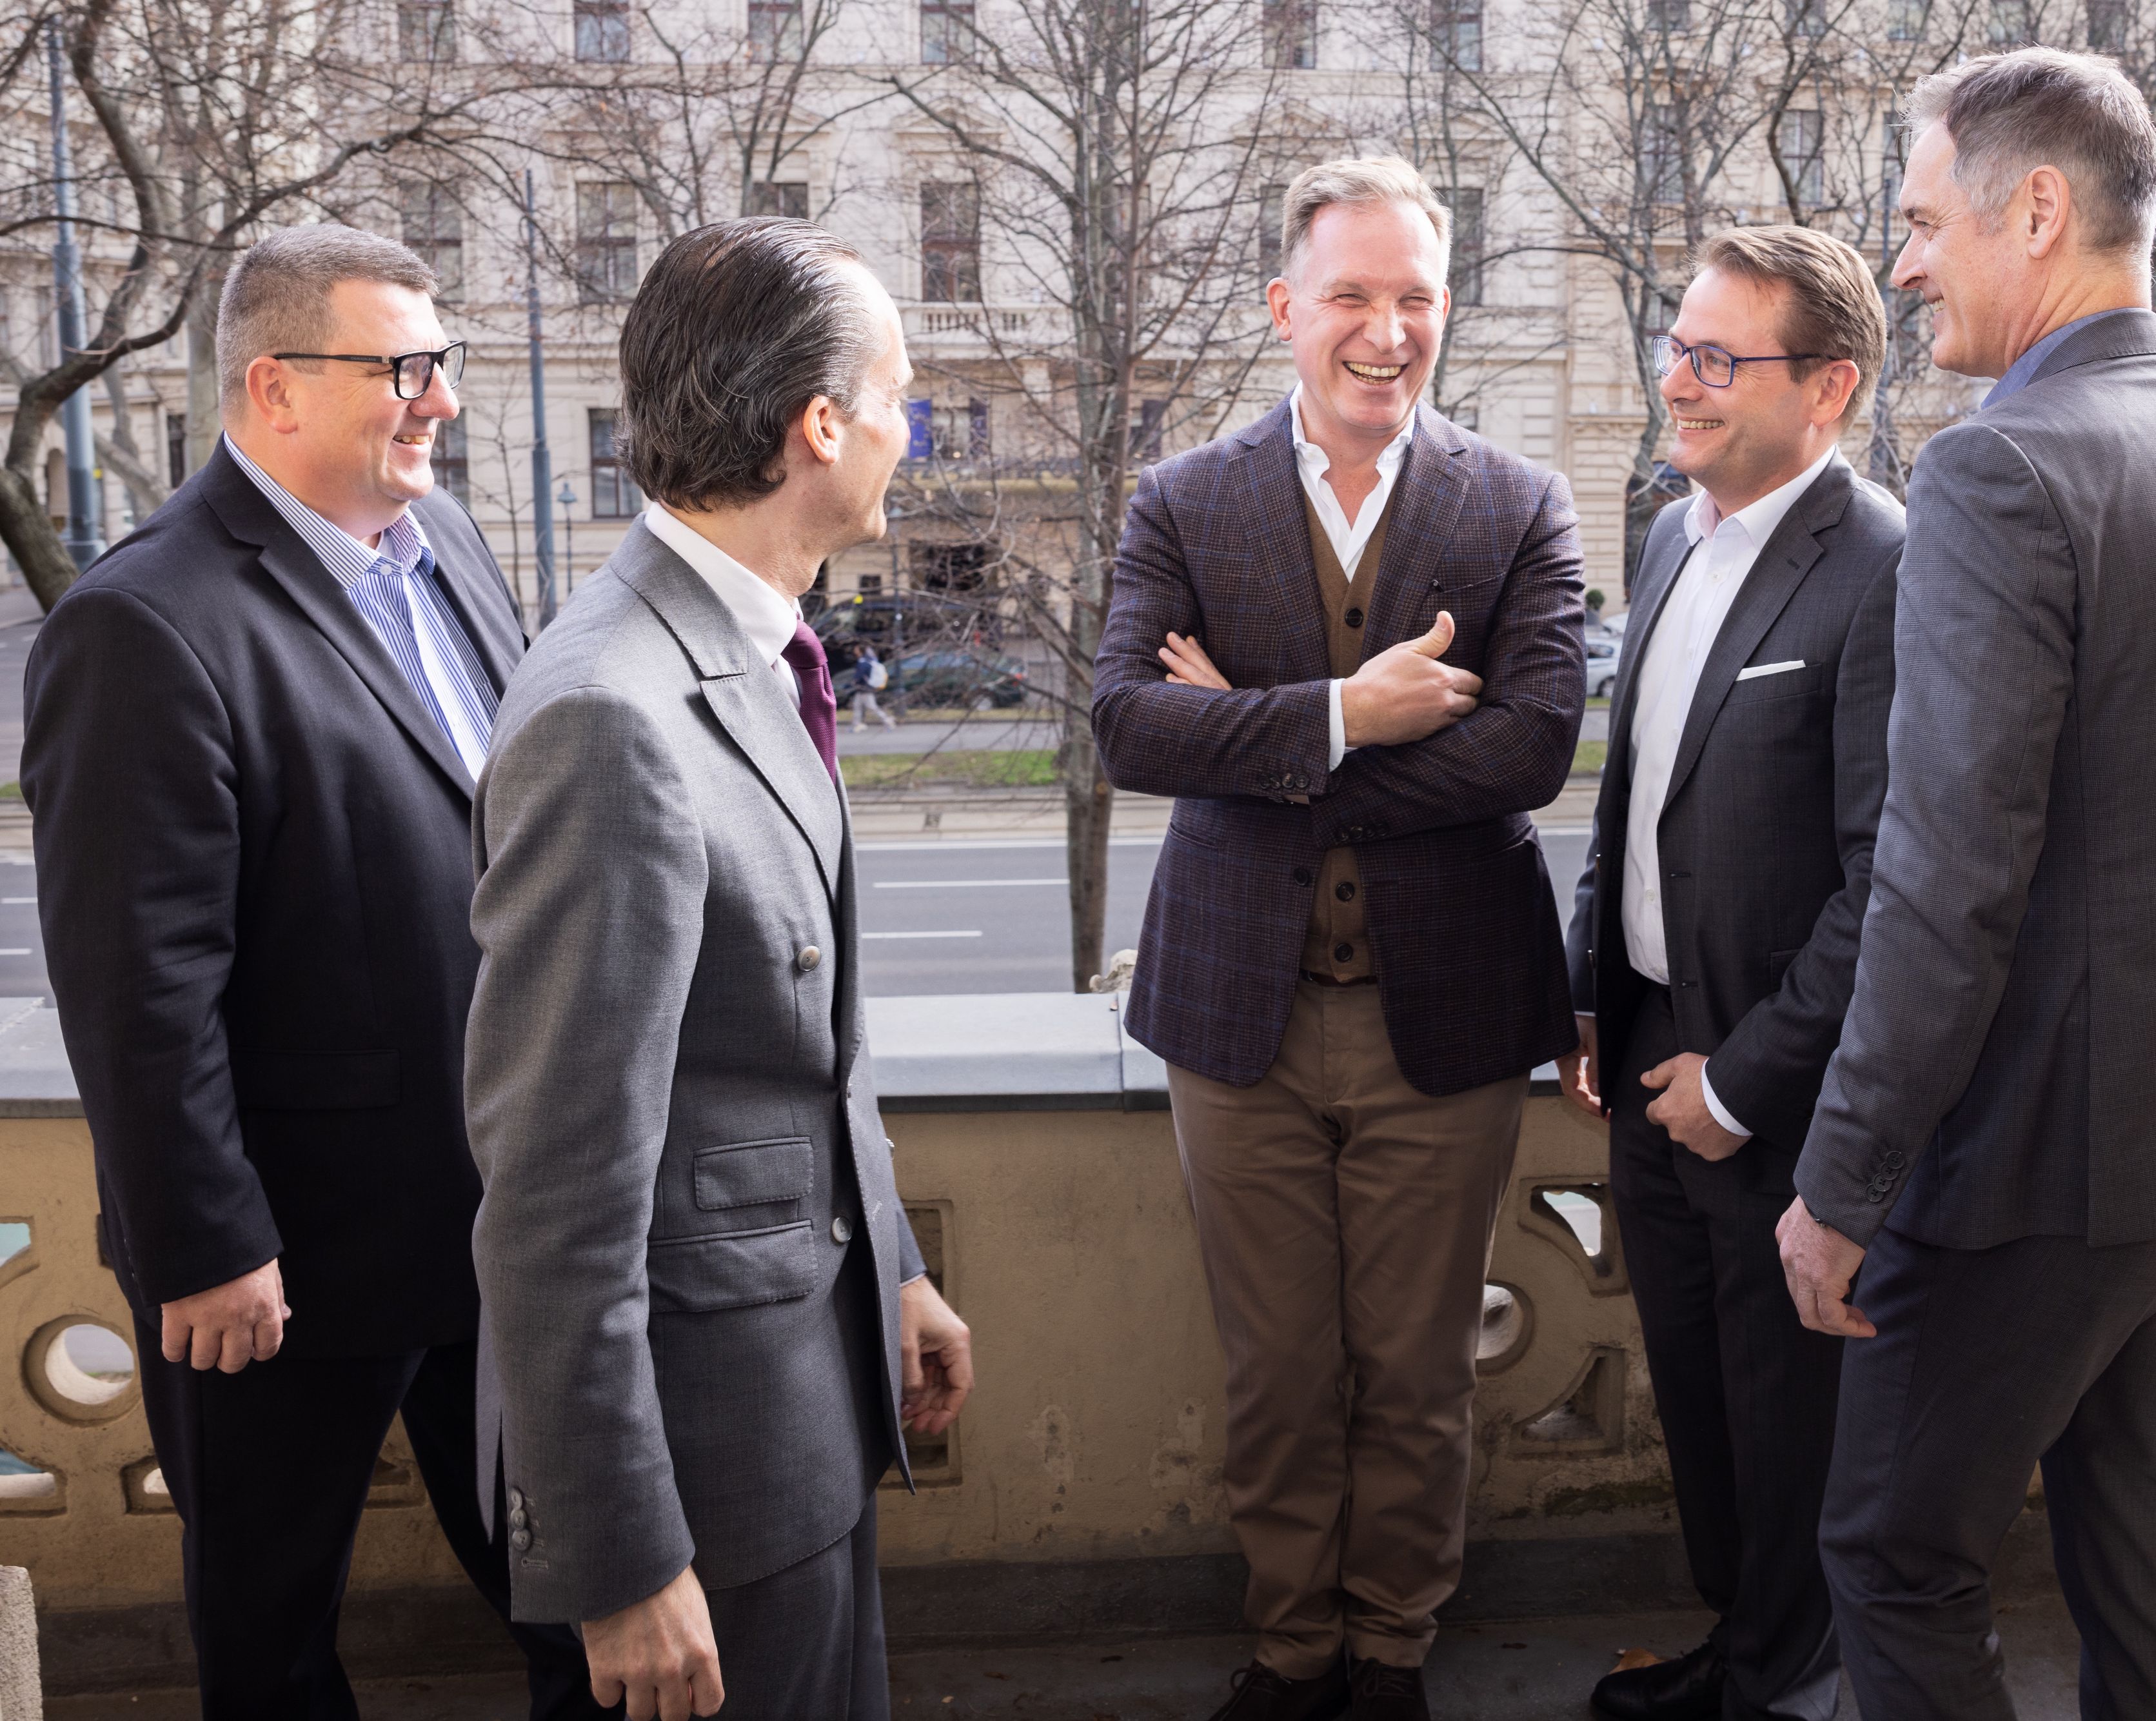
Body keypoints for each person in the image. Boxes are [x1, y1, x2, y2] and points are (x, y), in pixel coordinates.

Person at [1775, 48, 2156, 1720]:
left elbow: (1950, 879)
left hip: (2054, 1165)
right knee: (2148, 1555)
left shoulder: (1997, 470)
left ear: (2036, 209)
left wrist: (1844, 1182)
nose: (1900, 264)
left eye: (1920, 219)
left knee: (1895, 1553)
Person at [19, 226, 603, 1718]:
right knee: (275, 1648)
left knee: (585, 1608)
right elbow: (140, 985)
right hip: (279, 1261)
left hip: (499, 1218)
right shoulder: (141, 623)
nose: (441, 401)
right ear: (273, 387)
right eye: (403, 369)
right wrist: (209, 1244)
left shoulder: (453, 548)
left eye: (444, 364)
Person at [1094, 156, 1588, 1721]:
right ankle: (1291, 1649)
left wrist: (1242, 727)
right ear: (1284, 309)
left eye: (1415, 299)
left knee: (1422, 1371)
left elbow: (1532, 750)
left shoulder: (1518, 504)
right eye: (1352, 298)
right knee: (1277, 1373)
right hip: (1236, 1017)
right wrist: (1343, 714)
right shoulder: (1182, 498)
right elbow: (1123, 724)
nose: (1386, 331)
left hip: (1438, 1015)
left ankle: (1389, 1652)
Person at [464, 218, 974, 1721]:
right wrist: (620, 1561)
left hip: (796, 1397)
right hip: (706, 1488)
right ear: (819, 427)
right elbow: (554, 1192)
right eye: (900, 399)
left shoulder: (745, 650)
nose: (908, 431)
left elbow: (788, 1046)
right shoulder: (610, 717)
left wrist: (895, 1269)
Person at [1561, 226, 1902, 1721]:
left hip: (1770, 1089)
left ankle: (1778, 1683)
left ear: (1823, 389)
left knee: (1782, 1433)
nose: (1676, 382)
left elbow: (1886, 880)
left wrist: (1744, 1077)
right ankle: (1738, 1656)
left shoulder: (1881, 567)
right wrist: (1590, 998)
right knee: (1698, 1415)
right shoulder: (1666, 534)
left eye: (1716, 357)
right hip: (1642, 1051)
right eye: (1672, 346)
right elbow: (1630, 793)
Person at [855, 641, 899, 728]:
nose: (854, 651)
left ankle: (888, 720)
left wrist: (855, 681)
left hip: (865, 689)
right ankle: (857, 724)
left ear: (861, 651)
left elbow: (860, 676)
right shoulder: (867, 662)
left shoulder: (863, 663)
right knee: (857, 706)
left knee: (872, 707)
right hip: (863, 689)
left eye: (856, 649)